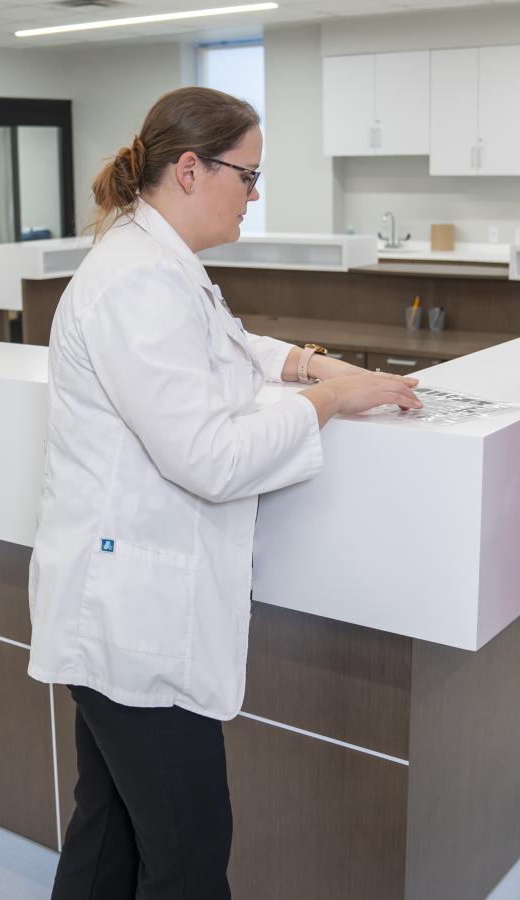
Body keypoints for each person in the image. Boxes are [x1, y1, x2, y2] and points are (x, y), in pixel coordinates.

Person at [27, 87, 423, 900]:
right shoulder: (138, 283)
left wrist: (315, 366)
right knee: (187, 856)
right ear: (188, 169)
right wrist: (329, 403)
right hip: (135, 620)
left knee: (108, 835)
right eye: (248, 176)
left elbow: (231, 344)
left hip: (125, 616)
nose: (254, 194)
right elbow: (207, 457)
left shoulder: (161, 265)